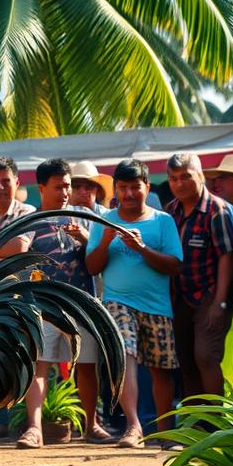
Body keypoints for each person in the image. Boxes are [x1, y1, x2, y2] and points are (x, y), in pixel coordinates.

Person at [86, 159, 183, 449]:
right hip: (117, 301)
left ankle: (166, 432)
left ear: (147, 187)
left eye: (134, 187)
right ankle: (133, 425)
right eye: (123, 188)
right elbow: (92, 267)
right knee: (125, 354)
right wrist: (104, 242)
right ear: (115, 189)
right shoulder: (103, 221)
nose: (128, 193)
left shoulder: (162, 221)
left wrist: (142, 248)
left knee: (160, 369)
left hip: (157, 307)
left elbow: (175, 266)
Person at [17, 159, 113, 448]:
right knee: (39, 365)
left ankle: (91, 425)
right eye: (58, 186)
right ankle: (34, 429)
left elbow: (98, 260)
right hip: (44, 307)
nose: (65, 192)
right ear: (42, 188)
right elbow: (19, 251)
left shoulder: (86, 216)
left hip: (82, 303)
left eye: (68, 186)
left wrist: (86, 238)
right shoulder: (31, 220)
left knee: (86, 366)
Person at [165, 153, 233, 410]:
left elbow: (227, 257)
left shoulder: (217, 210)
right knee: (186, 361)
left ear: (200, 176)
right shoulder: (170, 211)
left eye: (186, 176)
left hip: (210, 295)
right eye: (174, 178)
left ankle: (217, 422)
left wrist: (220, 302)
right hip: (179, 297)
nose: (180, 183)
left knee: (206, 356)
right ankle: (197, 423)